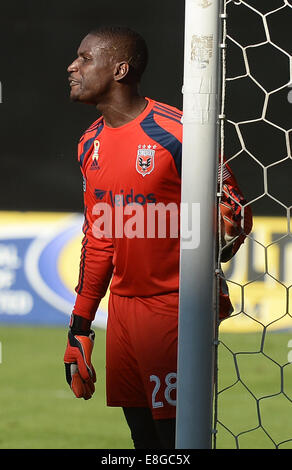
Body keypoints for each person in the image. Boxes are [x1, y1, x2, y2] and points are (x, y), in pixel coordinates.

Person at [63, 25, 252, 449]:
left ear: (120, 69)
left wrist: (222, 232)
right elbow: (99, 240)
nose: (72, 67)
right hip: (124, 312)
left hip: (176, 308)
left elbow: (235, 210)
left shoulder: (181, 133)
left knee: (177, 440)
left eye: (84, 58)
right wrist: (80, 325)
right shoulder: (88, 144)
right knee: (144, 441)